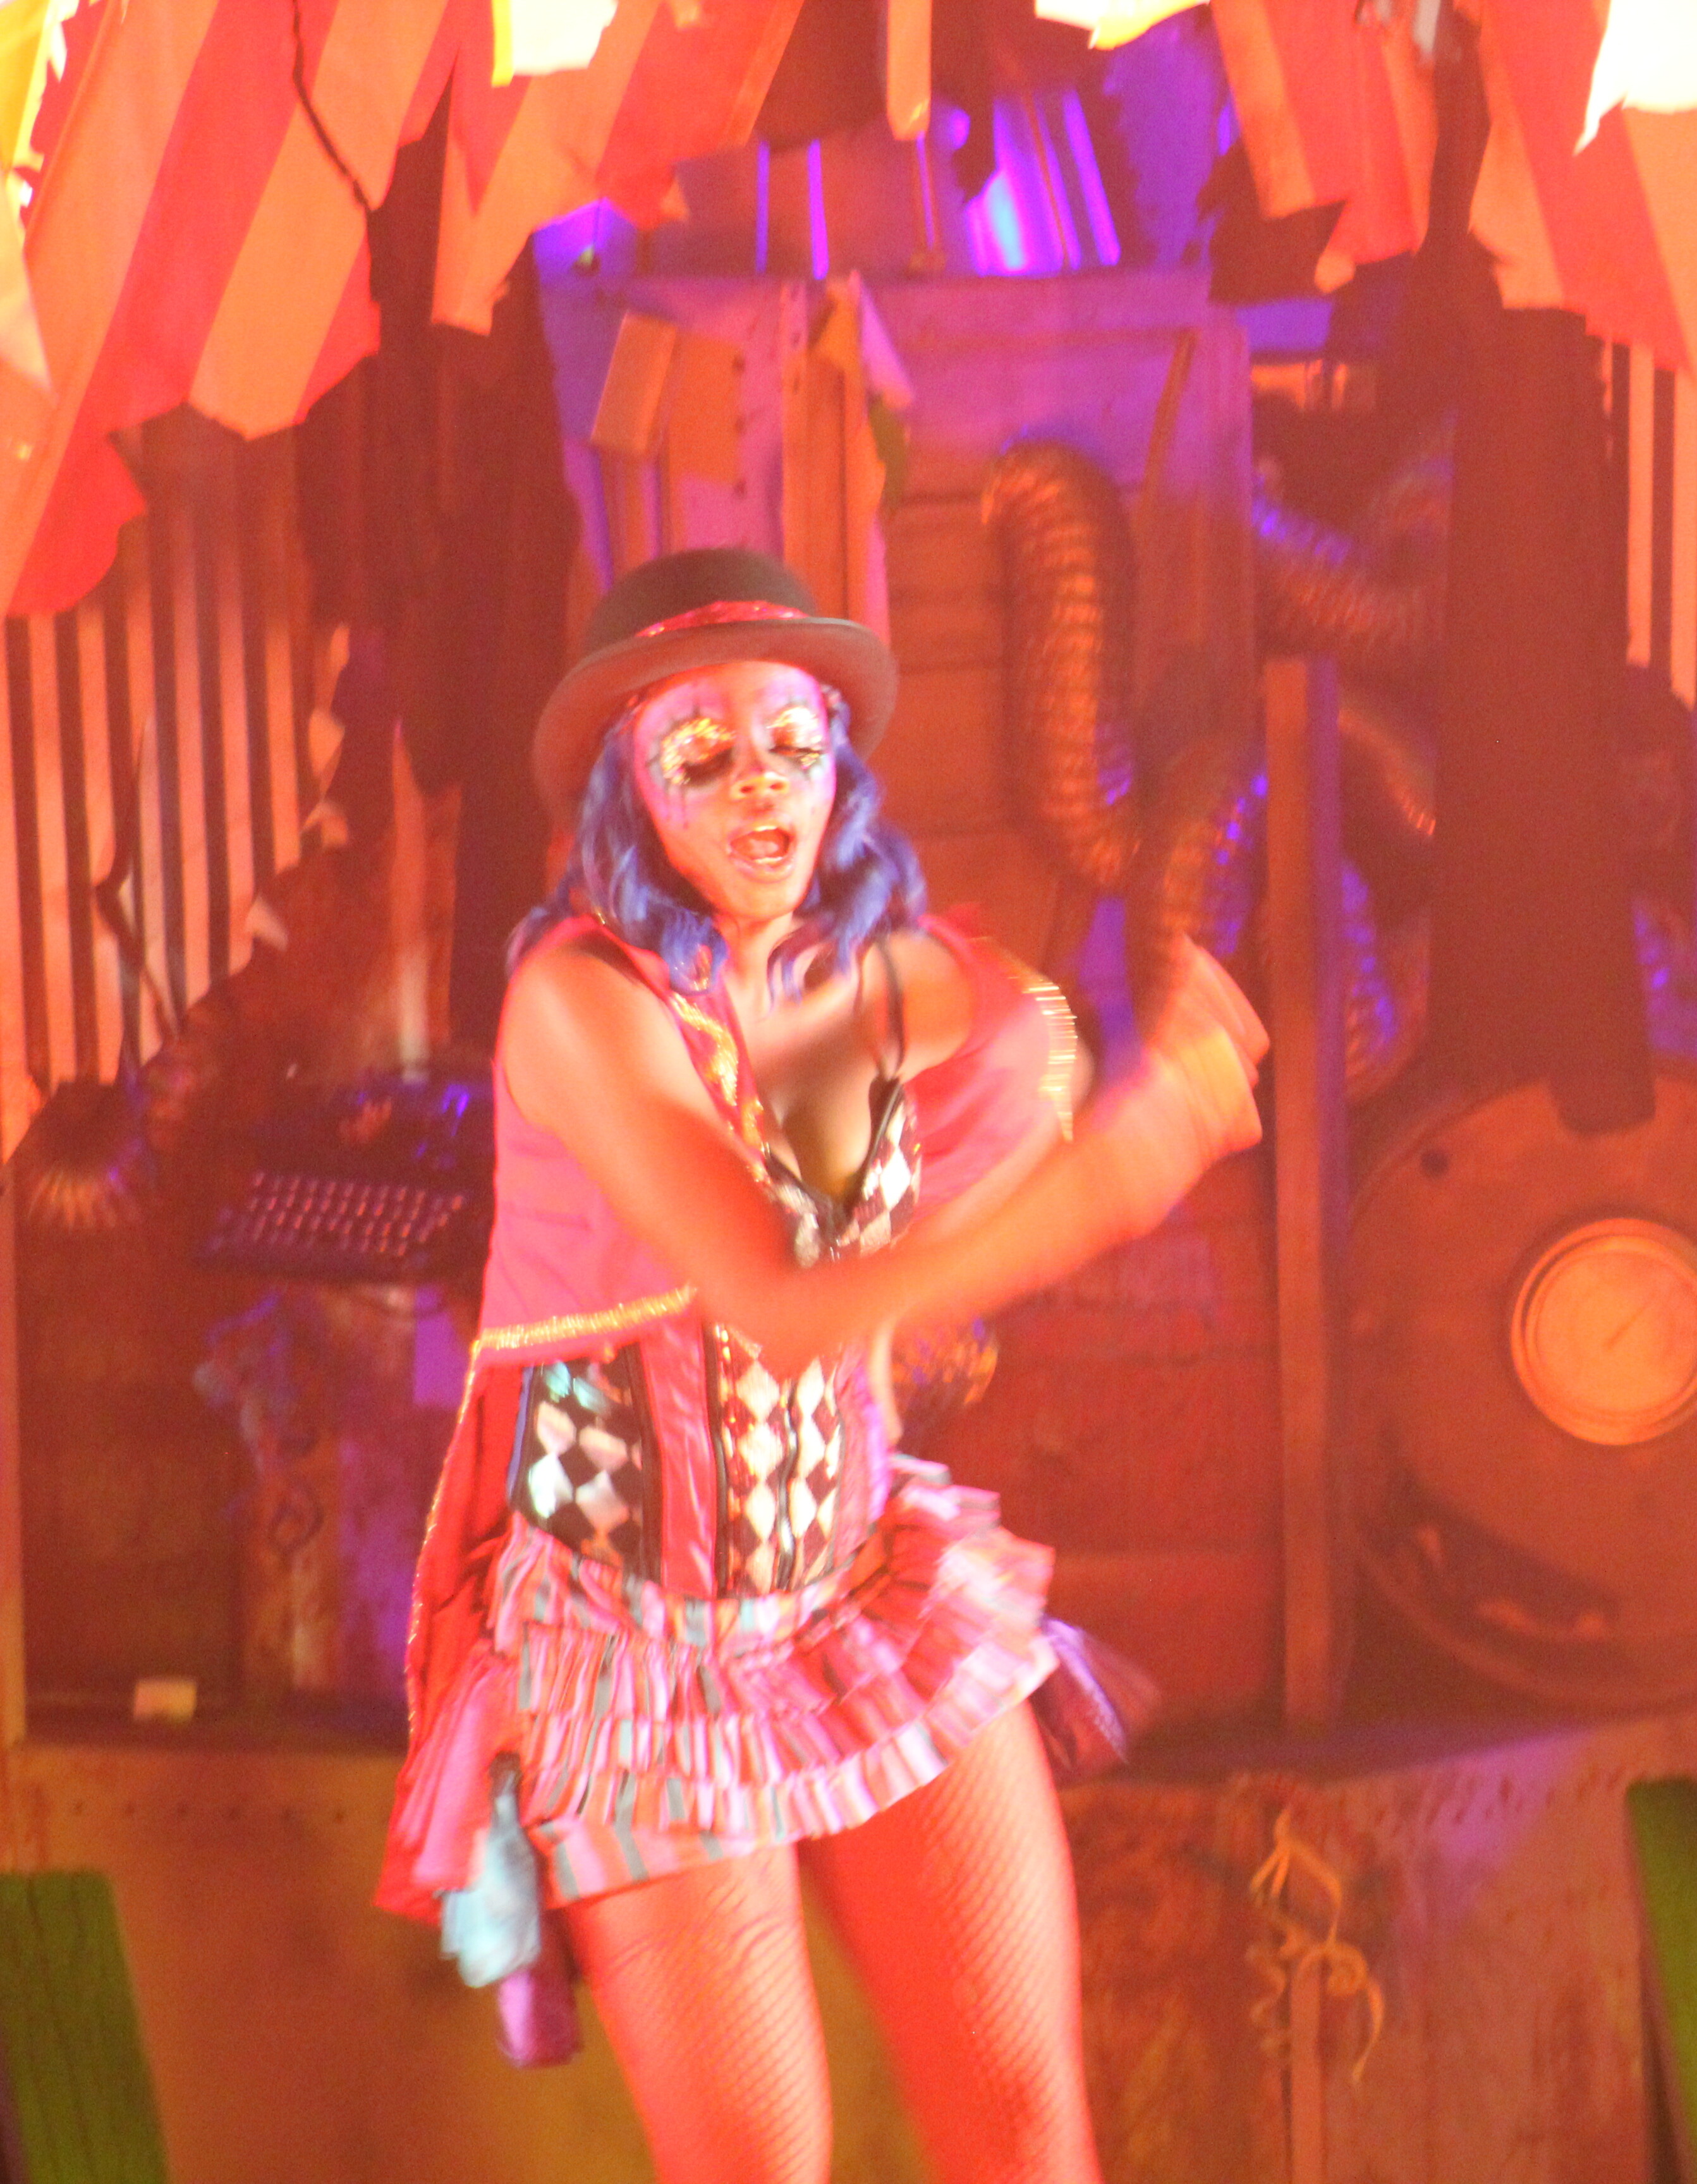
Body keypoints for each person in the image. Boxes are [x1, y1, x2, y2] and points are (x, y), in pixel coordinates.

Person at [374, 547, 1267, 2184]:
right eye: (704, 754)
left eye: (795, 744)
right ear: (628, 786)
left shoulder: (858, 983)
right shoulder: (580, 1003)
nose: (762, 788)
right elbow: (783, 1308)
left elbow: (994, 1087)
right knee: (759, 2167)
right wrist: (1119, 1181)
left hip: (857, 1595)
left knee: (1027, 2131)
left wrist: (1060, 1072)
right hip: (641, 1649)